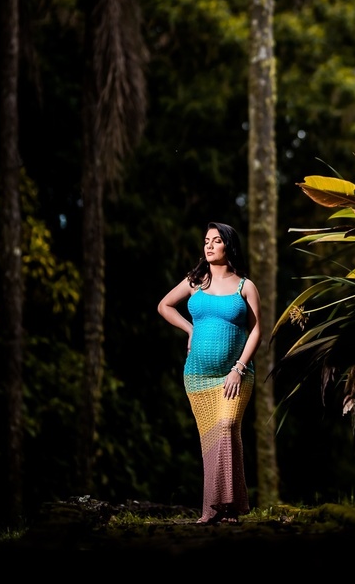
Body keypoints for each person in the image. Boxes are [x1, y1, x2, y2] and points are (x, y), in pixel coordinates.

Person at [158, 221, 261, 524]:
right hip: (197, 376)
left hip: (235, 375)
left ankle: (227, 505)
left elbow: (256, 331)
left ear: (229, 246)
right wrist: (190, 329)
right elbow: (164, 305)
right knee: (212, 438)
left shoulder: (246, 286)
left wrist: (238, 369)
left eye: (216, 241)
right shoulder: (195, 282)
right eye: (206, 240)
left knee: (228, 425)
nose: (209, 245)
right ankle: (217, 510)